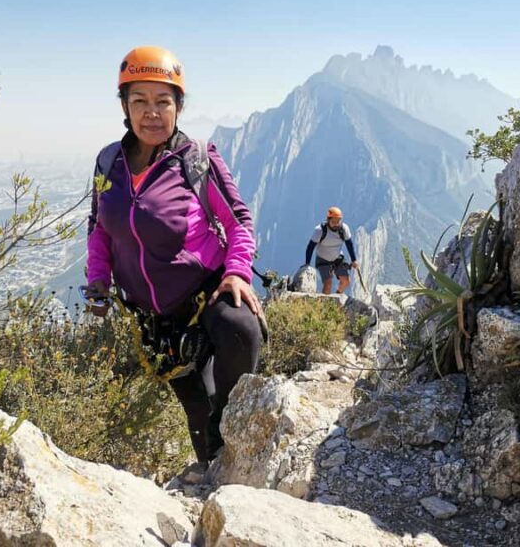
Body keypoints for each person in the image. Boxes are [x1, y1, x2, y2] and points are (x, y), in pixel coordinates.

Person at [84, 45, 262, 468]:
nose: (152, 112)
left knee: (241, 329)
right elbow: (99, 227)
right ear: (124, 107)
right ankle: (213, 470)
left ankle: (237, 430)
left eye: (163, 101)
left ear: (178, 107)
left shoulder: (196, 159)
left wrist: (237, 272)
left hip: (205, 292)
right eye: (139, 101)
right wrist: (98, 280)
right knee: (197, 408)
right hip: (156, 317)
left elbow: (238, 220)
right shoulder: (108, 163)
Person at [305, 206, 359, 294]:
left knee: (345, 281)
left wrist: (354, 260)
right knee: (328, 284)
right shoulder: (320, 230)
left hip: (338, 258)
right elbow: (310, 247)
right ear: (328, 220)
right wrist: (307, 264)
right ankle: (325, 302)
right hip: (323, 260)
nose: (336, 224)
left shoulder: (344, 229)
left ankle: (337, 297)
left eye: (338, 221)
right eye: (333, 222)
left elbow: (349, 244)